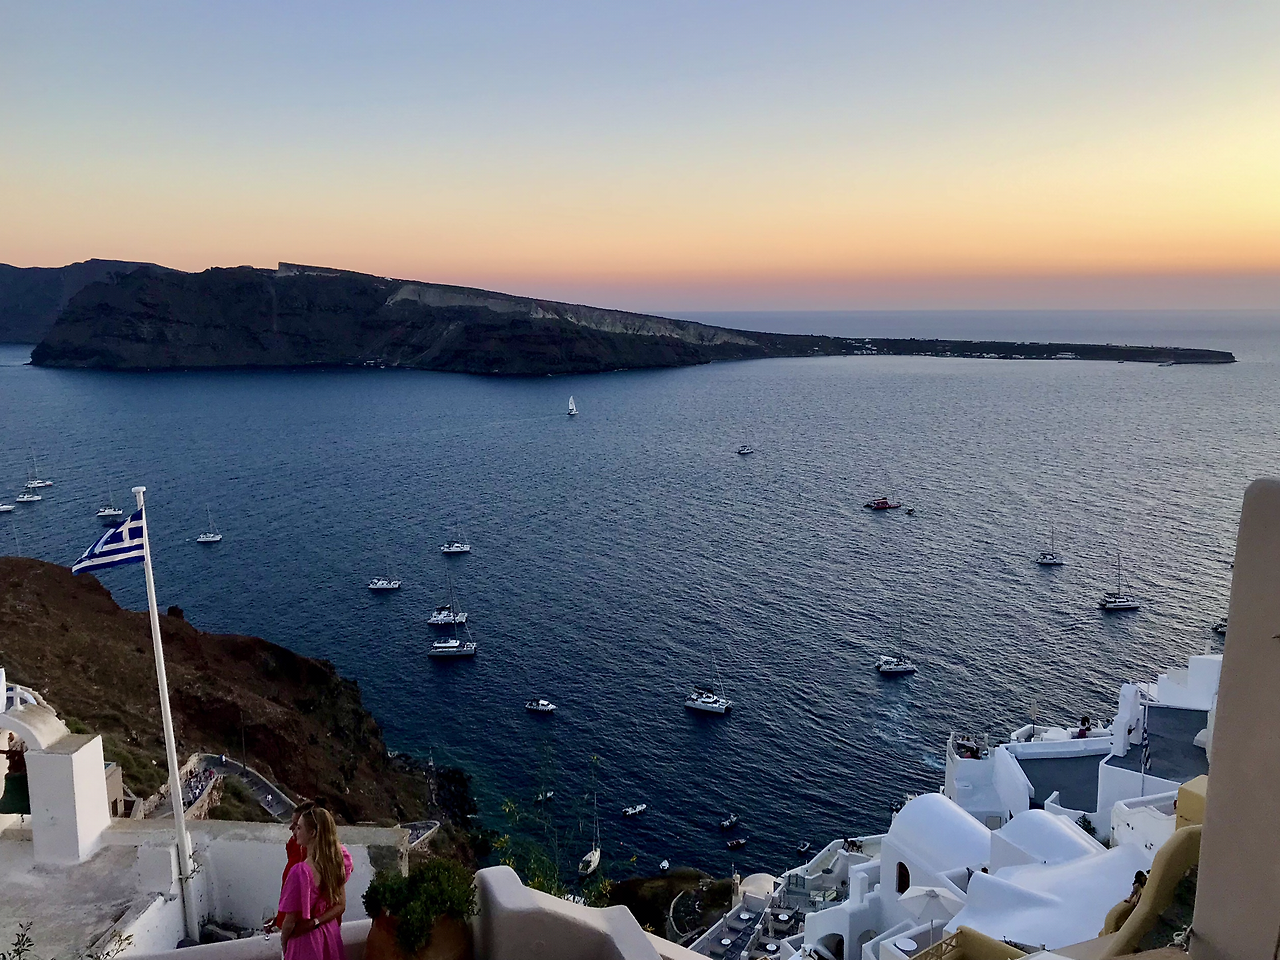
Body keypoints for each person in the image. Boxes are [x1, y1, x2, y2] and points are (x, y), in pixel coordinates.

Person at [278, 807, 353, 960]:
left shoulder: (300, 872)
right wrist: (316, 922)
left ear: (312, 833)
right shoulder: (336, 864)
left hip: (306, 941)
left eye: (299, 828)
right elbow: (340, 905)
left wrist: (285, 945)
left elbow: (289, 922)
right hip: (329, 935)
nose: (295, 831)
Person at [273, 801, 315, 931]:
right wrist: (279, 919)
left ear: (311, 831)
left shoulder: (310, 862)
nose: (291, 828)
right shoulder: (295, 848)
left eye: (297, 825)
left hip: (301, 931)